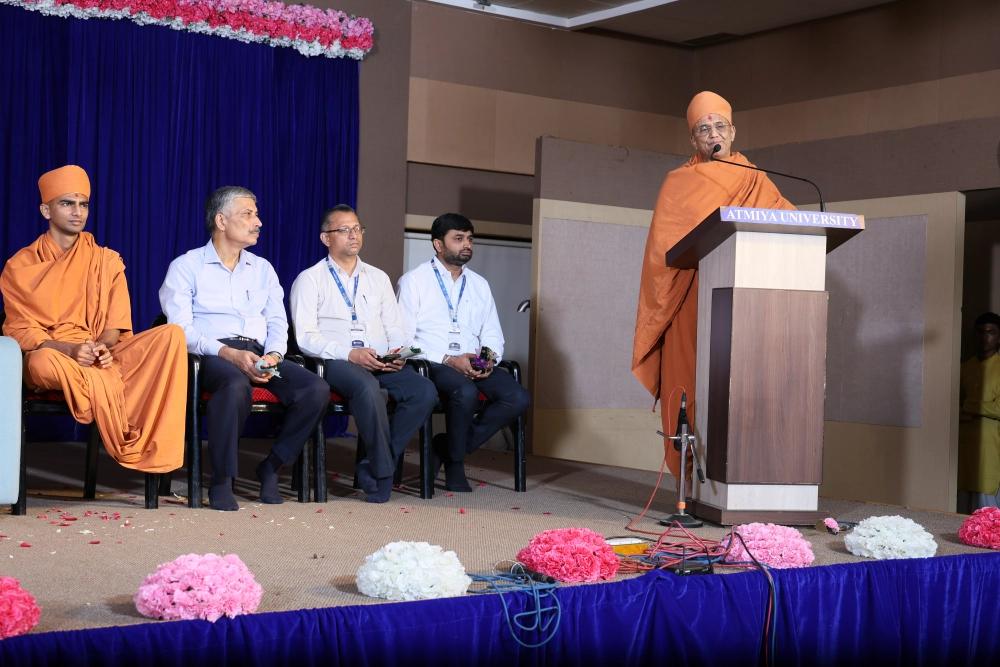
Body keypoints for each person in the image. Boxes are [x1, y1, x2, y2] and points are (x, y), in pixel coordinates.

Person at [632, 91, 796, 488]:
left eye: (719, 126)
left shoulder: (755, 178)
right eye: (704, 130)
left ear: (733, 131)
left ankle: (736, 484)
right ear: (693, 139)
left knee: (740, 389)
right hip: (689, 296)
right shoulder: (678, 183)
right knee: (688, 386)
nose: (713, 134)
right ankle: (690, 487)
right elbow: (662, 252)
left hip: (744, 299)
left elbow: (789, 221)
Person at [0, 165, 187, 473]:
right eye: (67, 203)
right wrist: (71, 350)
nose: (78, 212)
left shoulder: (106, 260)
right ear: (46, 210)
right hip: (54, 354)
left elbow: (115, 327)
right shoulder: (19, 266)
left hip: (102, 356)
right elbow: (19, 329)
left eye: (83, 204)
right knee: (39, 363)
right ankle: (107, 393)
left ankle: (97, 389)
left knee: (171, 335)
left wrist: (100, 348)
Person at [159, 186, 329, 511]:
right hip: (209, 355)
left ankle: (272, 465)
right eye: (248, 214)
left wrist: (274, 354)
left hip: (259, 352)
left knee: (315, 389)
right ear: (221, 221)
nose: (258, 222)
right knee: (236, 385)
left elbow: (278, 321)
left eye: (256, 214)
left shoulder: (263, 269)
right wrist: (228, 354)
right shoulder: (187, 266)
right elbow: (179, 329)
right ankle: (222, 479)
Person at [290, 205, 437, 503]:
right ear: (325, 238)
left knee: (424, 391)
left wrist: (397, 352)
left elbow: (394, 327)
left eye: (357, 228)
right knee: (368, 388)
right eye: (344, 230)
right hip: (335, 361)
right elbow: (305, 338)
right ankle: (384, 475)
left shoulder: (378, 277)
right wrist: (349, 353)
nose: (353, 235)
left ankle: (372, 463)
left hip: (380, 360)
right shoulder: (310, 279)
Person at [397, 213, 530, 492]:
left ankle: (447, 446)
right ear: (438, 244)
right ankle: (456, 463)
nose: (467, 244)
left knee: (518, 397)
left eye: (469, 239)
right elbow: (404, 341)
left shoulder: (479, 284)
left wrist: (487, 359)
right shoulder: (414, 281)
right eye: (458, 239)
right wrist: (448, 359)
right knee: (465, 392)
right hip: (432, 361)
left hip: (473, 359)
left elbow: (491, 332)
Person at [958, 312, 1000, 513]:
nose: (985, 337)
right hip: (963, 448)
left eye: (991, 332)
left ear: (999, 337)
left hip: (991, 449)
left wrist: (970, 406)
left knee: (988, 511)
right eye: (980, 332)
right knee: (960, 506)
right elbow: (949, 410)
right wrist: (983, 408)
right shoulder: (964, 368)